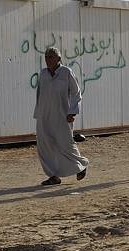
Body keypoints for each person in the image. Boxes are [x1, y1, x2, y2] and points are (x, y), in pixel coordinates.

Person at [34, 47, 88, 186]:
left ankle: (81, 164)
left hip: (62, 115)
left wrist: (72, 111)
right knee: (45, 145)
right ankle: (53, 175)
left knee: (66, 144)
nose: (48, 60)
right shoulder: (43, 73)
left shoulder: (66, 72)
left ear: (58, 59)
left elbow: (76, 93)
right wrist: (38, 113)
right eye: (46, 57)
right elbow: (39, 94)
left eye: (51, 57)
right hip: (44, 115)